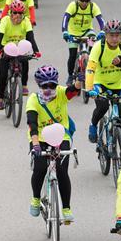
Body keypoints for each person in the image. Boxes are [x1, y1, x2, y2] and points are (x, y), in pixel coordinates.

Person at [27, 65, 82, 223]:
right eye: (45, 86)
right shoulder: (33, 100)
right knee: (40, 168)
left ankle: (66, 208)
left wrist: (79, 81)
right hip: (40, 138)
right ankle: (36, 198)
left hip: (61, 136)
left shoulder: (60, 93)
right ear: (39, 85)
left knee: (62, 170)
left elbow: (72, 90)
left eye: (52, 85)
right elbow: (32, 123)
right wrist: (36, 144)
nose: (49, 89)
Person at [85, 20, 121, 143]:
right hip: (100, 83)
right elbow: (90, 69)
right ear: (106, 35)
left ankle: (120, 142)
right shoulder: (98, 47)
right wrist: (89, 89)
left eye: (117, 35)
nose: (114, 38)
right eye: (111, 35)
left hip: (118, 83)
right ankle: (93, 125)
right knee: (103, 107)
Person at [0, 0, 40, 106]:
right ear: (11, 12)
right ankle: (0, 97)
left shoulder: (26, 21)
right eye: (15, 13)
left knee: (25, 60)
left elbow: (30, 37)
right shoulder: (5, 20)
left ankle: (23, 85)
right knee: (3, 75)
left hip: (20, 48)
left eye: (20, 13)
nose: (17, 15)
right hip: (6, 48)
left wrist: (36, 51)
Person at [61, 0, 104, 77]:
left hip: (87, 32)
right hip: (73, 33)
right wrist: (65, 32)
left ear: (90, 1)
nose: (84, 3)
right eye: (81, 0)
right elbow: (65, 18)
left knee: (93, 51)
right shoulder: (73, 5)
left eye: (87, 1)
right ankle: (70, 76)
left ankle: (93, 71)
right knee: (72, 55)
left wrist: (103, 31)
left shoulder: (93, 6)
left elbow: (101, 20)